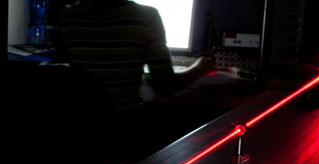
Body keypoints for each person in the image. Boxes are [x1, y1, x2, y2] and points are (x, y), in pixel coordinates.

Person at [59, 0, 215, 108]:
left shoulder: (69, 17)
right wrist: (200, 68)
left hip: (79, 122)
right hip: (124, 122)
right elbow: (166, 87)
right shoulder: (147, 17)